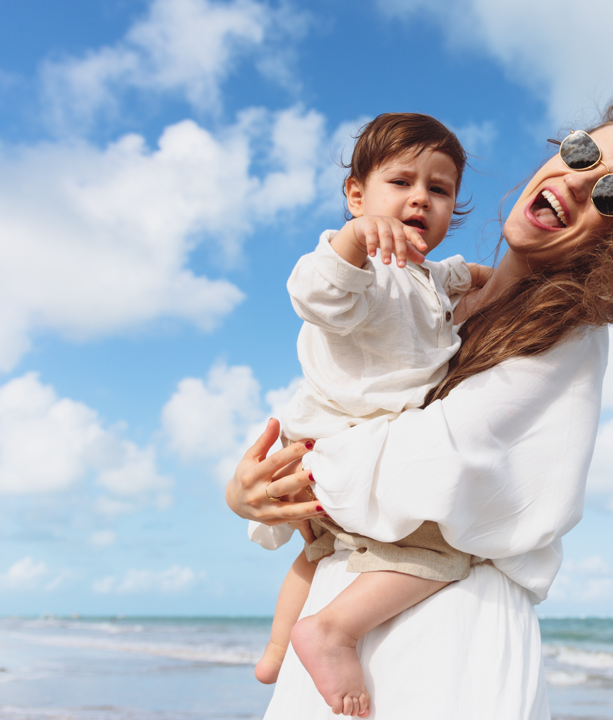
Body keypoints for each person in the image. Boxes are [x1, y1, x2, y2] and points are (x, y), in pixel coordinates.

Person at [227, 95, 613, 719]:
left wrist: (302, 470)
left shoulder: (566, 334)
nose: (579, 181)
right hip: (342, 626)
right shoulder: (430, 300)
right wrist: (256, 493)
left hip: (447, 639)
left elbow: (436, 467)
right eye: (583, 151)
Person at [250, 113, 492, 716]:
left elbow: (467, 280)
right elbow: (314, 292)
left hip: (342, 453)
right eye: (401, 182)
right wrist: (355, 238)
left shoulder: (429, 276)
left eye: (439, 190)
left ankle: (278, 650)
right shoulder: (359, 270)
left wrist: (495, 279)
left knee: (318, 553)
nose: (420, 198)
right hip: (346, 446)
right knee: (442, 546)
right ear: (357, 196)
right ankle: (332, 630)